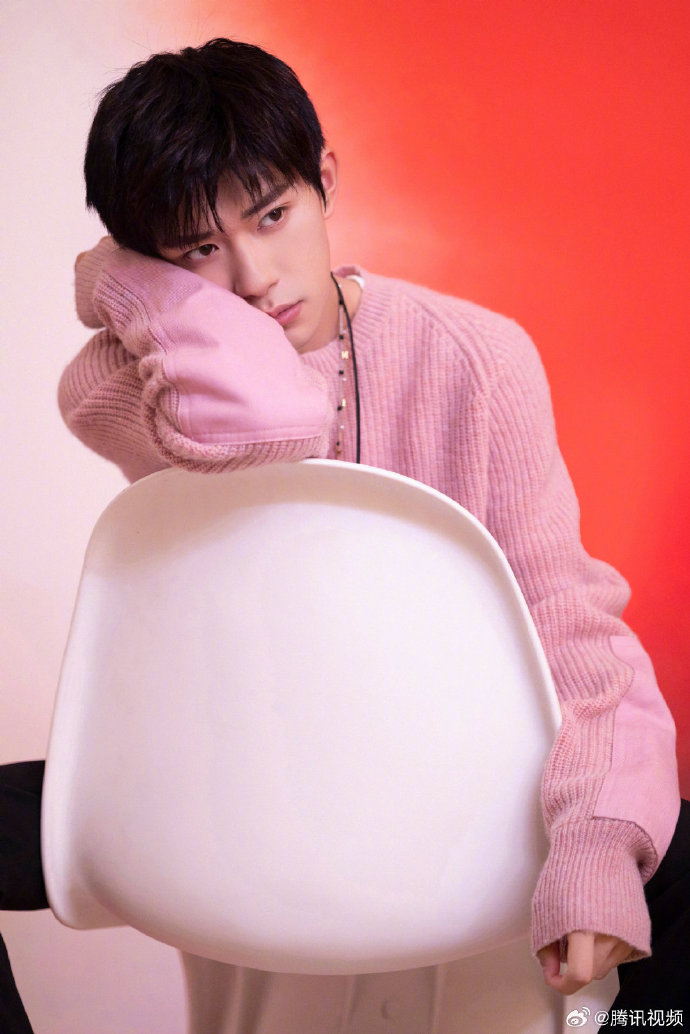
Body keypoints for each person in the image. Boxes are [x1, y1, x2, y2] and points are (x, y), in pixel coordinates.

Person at [51, 37, 687, 1029]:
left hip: (455, 792)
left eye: (273, 215)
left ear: (327, 182)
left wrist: (598, 842)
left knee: (660, 876)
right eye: (195, 249)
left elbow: (572, 628)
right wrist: (118, 275)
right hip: (260, 802)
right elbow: (262, 419)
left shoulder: (475, 362)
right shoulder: (134, 389)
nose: (255, 277)